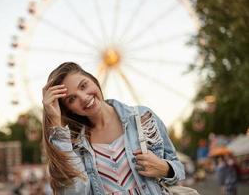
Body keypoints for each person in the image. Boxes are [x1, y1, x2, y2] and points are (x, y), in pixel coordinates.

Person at [42, 62, 185, 195]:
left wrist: (165, 168)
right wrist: (55, 122)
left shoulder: (142, 118)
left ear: (94, 80)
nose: (84, 98)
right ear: (68, 110)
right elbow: (74, 192)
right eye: (72, 99)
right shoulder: (73, 145)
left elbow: (178, 168)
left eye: (84, 86)